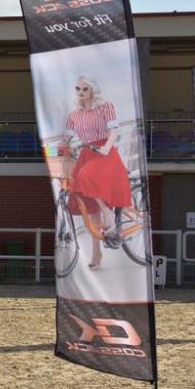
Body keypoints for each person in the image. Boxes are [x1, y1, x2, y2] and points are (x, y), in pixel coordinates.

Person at [63, 76, 132, 269]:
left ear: (93, 90)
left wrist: (106, 147)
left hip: (104, 152)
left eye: (85, 89)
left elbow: (114, 132)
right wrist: (60, 149)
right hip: (87, 153)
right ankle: (97, 254)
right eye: (78, 88)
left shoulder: (105, 107)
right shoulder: (74, 114)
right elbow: (66, 137)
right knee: (88, 206)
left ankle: (107, 211)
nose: (81, 92)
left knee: (86, 177)